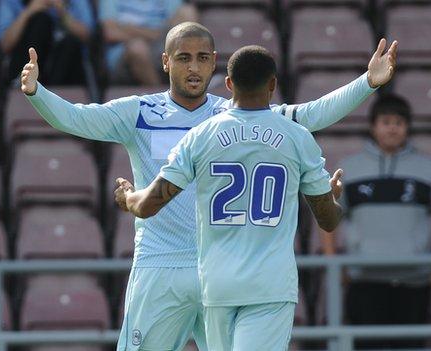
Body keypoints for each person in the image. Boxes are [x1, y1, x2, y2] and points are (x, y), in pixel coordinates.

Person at [20, 22, 397, 351]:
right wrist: (38, 93)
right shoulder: (139, 112)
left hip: (215, 270)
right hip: (159, 264)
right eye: (183, 58)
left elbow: (309, 114)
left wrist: (367, 83)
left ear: (215, 62)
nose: (194, 67)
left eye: (202, 58)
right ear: (166, 62)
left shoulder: (233, 115)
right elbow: (78, 119)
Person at [115, 45, 344, 350]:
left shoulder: (200, 135)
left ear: (228, 84)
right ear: (273, 84)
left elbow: (146, 206)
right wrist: (333, 196)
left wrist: (129, 196)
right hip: (270, 285)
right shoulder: (297, 136)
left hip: (217, 284)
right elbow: (328, 220)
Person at [324, 94, 431, 349]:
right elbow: (328, 214)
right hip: (364, 283)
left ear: (407, 127)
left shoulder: (427, 169)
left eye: (399, 122)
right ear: (373, 126)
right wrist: (335, 265)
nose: (392, 128)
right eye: (386, 121)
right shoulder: (348, 168)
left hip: (414, 284)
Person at [99, 0, 199, 85]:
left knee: (187, 12)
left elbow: (177, 26)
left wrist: (128, 28)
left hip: (161, 47)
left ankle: (191, 83)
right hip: (123, 55)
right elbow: (110, 32)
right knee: (138, 47)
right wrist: (152, 33)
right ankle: (161, 101)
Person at [0, 0, 94, 85]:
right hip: (24, 65)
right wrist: (29, 11)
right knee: (41, 20)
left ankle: (53, 99)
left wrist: (62, 13)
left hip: (65, 69)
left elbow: (88, 36)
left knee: (70, 43)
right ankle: (26, 83)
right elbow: (4, 44)